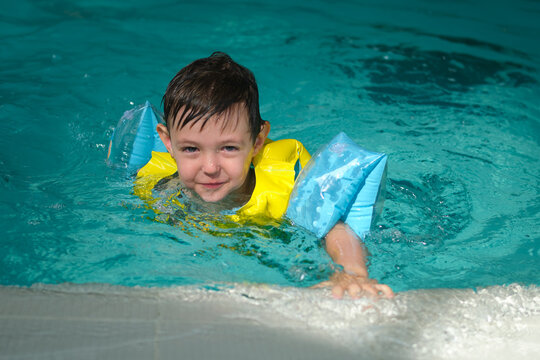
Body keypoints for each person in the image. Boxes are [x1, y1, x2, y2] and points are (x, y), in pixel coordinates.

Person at [143, 51, 394, 299]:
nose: (210, 167)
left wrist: (351, 273)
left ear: (257, 141)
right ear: (168, 142)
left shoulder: (286, 193)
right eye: (191, 149)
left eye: (229, 148)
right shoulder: (161, 191)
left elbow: (337, 230)